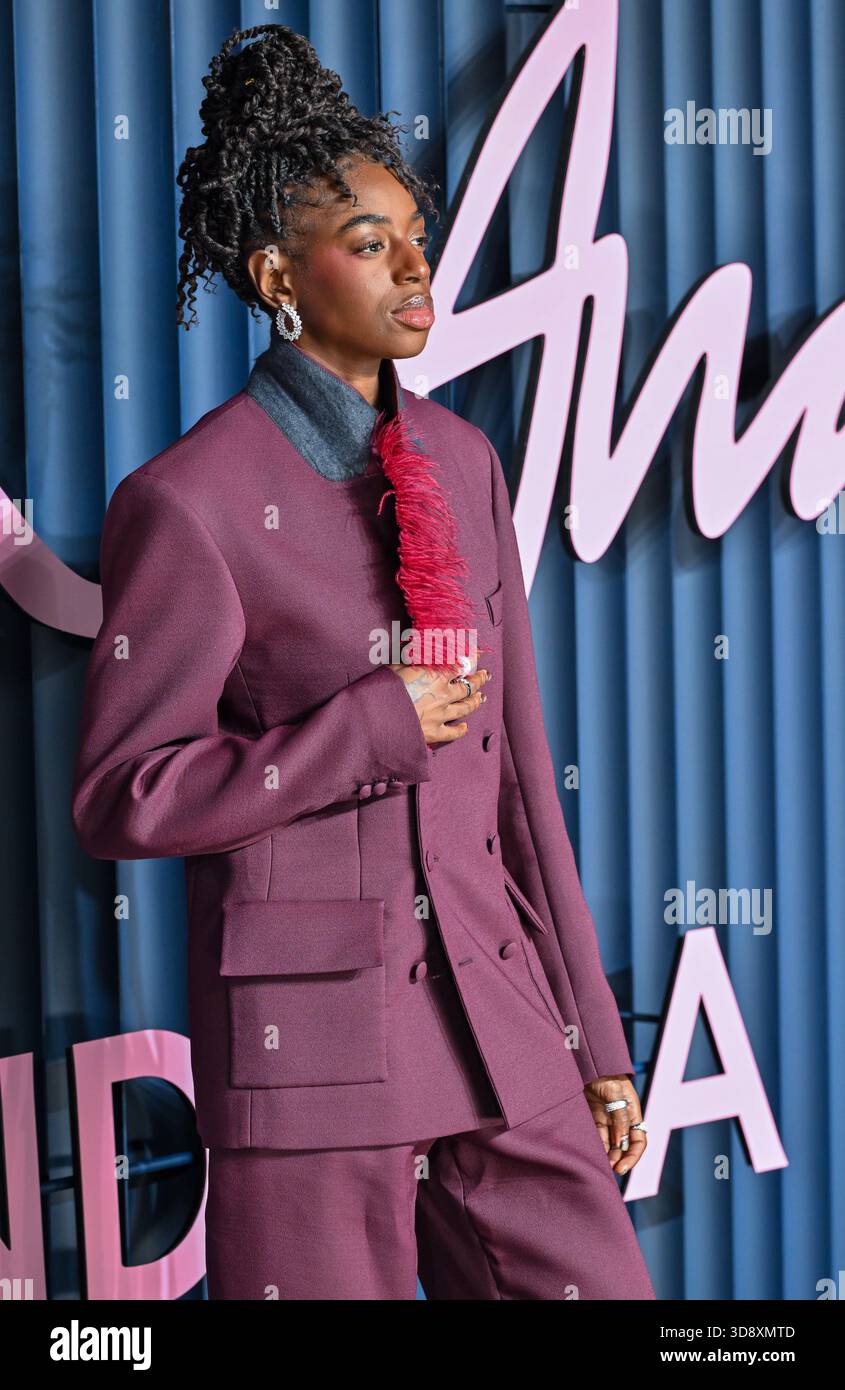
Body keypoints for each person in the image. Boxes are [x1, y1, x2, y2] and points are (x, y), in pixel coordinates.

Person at [71, 23, 655, 1301]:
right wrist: (368, 726)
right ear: (279, 272)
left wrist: (591, 1035)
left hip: (501, 1018)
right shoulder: (189, 501)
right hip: (311, 1047)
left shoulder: (465, 464)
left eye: (414, 235)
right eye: (369, 241)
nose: (413, 265)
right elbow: (125, 793)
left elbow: (518, 788)